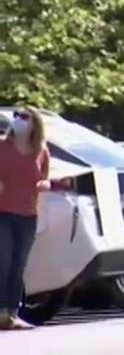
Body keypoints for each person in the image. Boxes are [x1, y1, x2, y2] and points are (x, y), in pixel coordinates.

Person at [0, 107, 51, 330]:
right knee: (4, 261)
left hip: (28, 215)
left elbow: (45, 178)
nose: (18, 120)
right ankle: (2, 313)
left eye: (24, 116)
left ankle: (12, 313)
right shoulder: (2, 146)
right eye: (16, 116)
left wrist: (44, 185)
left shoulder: (41, 151)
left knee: (18, 265)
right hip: (3, 213)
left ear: (34, 123)